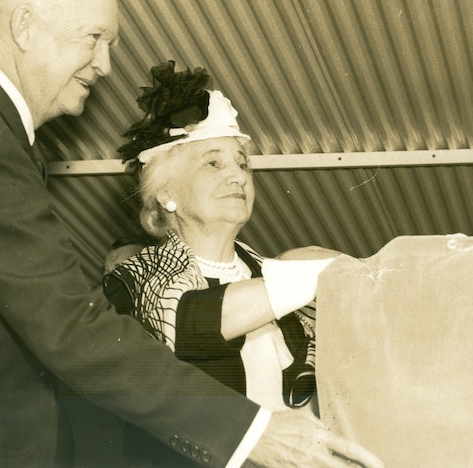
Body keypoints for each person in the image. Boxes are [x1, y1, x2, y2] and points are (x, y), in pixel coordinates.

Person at [0, 0, 382, 468]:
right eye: (94, 38)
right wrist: (252, 432)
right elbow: (72, 328)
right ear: (24, 26)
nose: (104, 65)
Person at [103, 61, 323, 465]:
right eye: (213, 162)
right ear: (167, 192)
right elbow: (187, 323)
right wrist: (332, 275)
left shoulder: (274, 276)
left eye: (243, 163)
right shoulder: (134, 280)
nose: (239, 176)